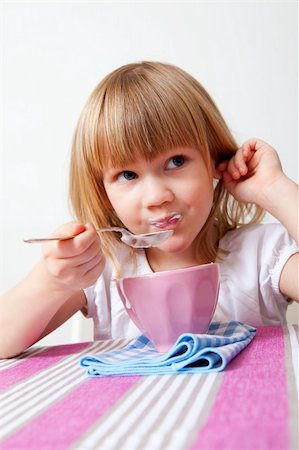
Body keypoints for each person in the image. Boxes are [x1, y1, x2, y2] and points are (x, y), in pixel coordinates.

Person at [0, 61, 298, 359]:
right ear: (103, 192)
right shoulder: (102, 269)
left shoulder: (262, 255)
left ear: (213, 159)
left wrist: (275, 189)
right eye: (128, 175)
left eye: (177, 162)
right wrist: (53, 280)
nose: (157, 197)